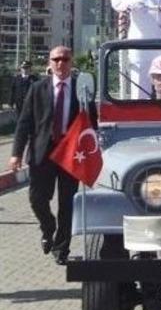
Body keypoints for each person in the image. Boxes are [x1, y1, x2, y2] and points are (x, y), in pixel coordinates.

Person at [8, 46, 96, 265]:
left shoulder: (80, 90)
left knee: (68, 203)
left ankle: (61, 247)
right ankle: (48, 227)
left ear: (71, 62)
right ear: (50, 62)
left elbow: (91, 123)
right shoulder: (38, 88)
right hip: (42, 154)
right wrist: (16, 153)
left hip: (71, 155)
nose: (60, 63)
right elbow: (24, 123)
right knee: (37, 198)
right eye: (56, 59)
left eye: (65, 59)